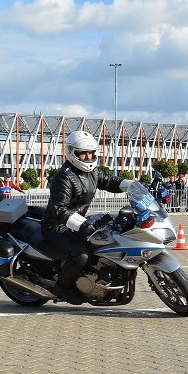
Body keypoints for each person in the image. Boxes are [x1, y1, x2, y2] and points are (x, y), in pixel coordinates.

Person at [42, 130, 132, 304]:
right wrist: (82, 225)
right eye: (83, 153)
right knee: (81, 254)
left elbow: (108, 181)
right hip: (57, 227)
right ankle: (63, 287)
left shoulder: (92, 172)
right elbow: (59, 210)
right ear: (71, 152)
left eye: (91, 153)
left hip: (76, 222)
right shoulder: (64, 177)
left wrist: (132, 185)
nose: (88, 156)